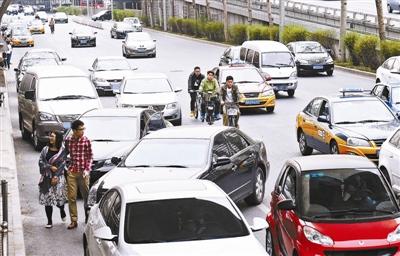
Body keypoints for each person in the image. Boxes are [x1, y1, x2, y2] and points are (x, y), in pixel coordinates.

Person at [65, 120, 93, 229]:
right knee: (72, 197)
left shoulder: (86, 141)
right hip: (72, 171)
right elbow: (63, 152)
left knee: (86, 196)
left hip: (83, 173)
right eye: (81, 129)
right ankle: (74, 220)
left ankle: (87, 216)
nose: (83, 131)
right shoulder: (68, 140)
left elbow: (90, 157)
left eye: (83, 129)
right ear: (74, 131)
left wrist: (87, 170)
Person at [38, 131, 67, 228]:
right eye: (50, 136)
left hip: (59, 178)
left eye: (52, 136)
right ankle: (49, 221)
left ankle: (62, 210)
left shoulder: (62, 150)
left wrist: (56, 176)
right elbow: (40, 161)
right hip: (46, 177)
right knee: (48, 200)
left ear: (57, 138)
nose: (50, 138)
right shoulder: (45, 149)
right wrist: (49, 166)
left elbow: (63, 164)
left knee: (59, 199)